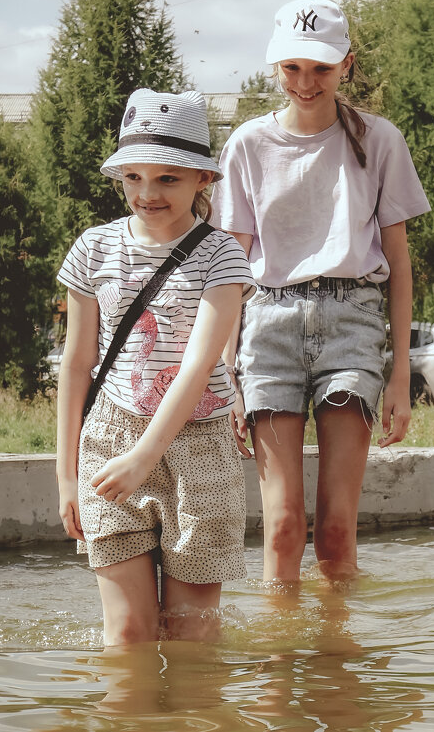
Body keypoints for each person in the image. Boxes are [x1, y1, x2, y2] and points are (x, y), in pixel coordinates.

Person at [211, 0, 430, 586]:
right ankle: (276, 672)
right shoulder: (246, 147)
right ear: (275, 66)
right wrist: (227, 373)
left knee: (336, 531)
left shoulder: (380, 141)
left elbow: (400, 263)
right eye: (292, 67)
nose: (305, 83)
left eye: (321, 68)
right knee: (282, 527)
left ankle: (338, 672)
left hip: (353, 324)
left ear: (347, 66)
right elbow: (229, 269)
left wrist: (401, 376)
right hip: (268, 331)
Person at [55, 88, 255, 646]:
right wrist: (66, 475)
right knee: (128, 633)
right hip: (109, 443)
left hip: (201, 450)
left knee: (191, 635)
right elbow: (75, 366)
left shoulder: (221, 255)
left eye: (167, 178)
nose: (147, 192)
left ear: (203, 181)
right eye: (134, 177)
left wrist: (147, 457)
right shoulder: (92, 249)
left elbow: (199, 365)